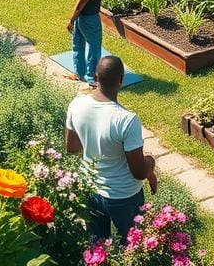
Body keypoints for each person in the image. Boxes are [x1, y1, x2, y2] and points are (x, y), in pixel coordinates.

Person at [65, 56, 158, 244]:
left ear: (95, 77)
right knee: (135, 247)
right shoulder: (126, 120)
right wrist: (151, 162)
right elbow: (139, 172)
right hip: (123, 196)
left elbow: (72, 147)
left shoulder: (77, 104)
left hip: (90, 188)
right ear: (122, 80)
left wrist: (96, 141)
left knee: (97, 250)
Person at [66, 0, 104, 89]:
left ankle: (79, 72)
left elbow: (81, 3)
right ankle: (91, 77)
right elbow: (81, 3)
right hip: (89, 19)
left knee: (78, 43)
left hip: (81, 18)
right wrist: (71, 19)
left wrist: (74, 19)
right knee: (94, 46)